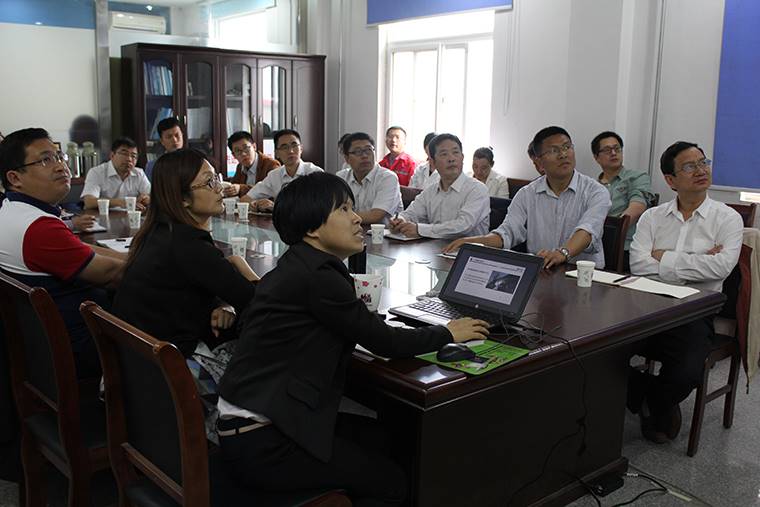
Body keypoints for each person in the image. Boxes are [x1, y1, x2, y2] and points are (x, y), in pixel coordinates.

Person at [216, 171, 489, 506]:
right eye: (344, 209)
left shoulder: (297, 264)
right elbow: (387, 344)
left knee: (384, 438)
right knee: (392, 483)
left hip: (254, 422)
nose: (357, 217)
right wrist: (448, 332)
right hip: (265, 441)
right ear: (313, 229)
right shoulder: (319, 277)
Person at [112, 148, 259, 437]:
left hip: (138, 363)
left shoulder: (159, 232)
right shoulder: (189, 245)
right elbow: (258, 300)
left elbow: (201, 284)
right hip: (169, 372)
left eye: (217, 178)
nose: (219, 188)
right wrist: (243, 266)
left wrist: (223, 303)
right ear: (182, 199)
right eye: (208, 182)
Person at [627, 141, 742, 444]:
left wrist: (662, 257)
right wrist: (698, 260)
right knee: (599, 353)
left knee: (687, 373)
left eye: (703, 162)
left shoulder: (728, 218)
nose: (701, 170)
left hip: (694, 312)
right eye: (690, 166)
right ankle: (650, 396)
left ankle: (651, 399)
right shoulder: (652, 217)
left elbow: (721, 268)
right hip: (648, 305)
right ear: (670, 180)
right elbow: (638, 264)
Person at [0, 128, 124, 379]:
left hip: (41, 345)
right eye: (45, 160)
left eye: (59, 157)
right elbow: (111, 274)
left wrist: (133, 257)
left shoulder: (12, 209)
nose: (60, 166)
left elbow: (82, 249)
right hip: (82, 345)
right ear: (15, 178)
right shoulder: (39, 228)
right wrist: (153, 260)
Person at [443, 126, 611, 269]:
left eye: (567, 147)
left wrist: (562, 253)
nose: (563, 154)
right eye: (554, 150)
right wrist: (473, 241)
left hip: (583, 276)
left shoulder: (596, 192)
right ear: (539, 162)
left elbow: (587, 230)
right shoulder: (527, 194)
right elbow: (507, 232)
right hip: (542, 272)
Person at [389, 134, 489, 239]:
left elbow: (463, 226)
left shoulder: (477, 189)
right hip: (433, 247)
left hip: (465, 249)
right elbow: (411, 213)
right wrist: (400, 220)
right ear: (432, 162)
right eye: (444, 154)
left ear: (462, 157)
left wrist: (420, 230)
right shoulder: (430, 191)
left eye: (455, 152)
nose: (451, 159)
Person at [591, 131, 653, 268]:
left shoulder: (637, 177)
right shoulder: (592, 186)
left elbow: (637, 207)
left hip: (626, 247)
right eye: (607, 150)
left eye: (617, 148)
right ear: (596, 157)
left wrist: (612, 231)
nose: (614, 153)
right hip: (597, 247)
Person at [240, 129, 322, 211]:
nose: (291, 151)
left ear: (301, 148)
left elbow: (321, 207)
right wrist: (257, 204)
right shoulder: (274, 176)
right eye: (284, 147)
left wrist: (276, 208)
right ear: (277, 153)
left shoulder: (315, 174)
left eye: (294, 145)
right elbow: (245, 199)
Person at [336, 132, 401, 224]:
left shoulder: (388, 178)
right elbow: (332, 209)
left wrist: (340, 216)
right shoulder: (341, 177)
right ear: (346, 158)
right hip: (350, 229)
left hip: (381, 232)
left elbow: (375, 216)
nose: (364, 156)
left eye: (368, 150)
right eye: (358, 152)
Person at [80, 136, 150, 211]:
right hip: (103, 216)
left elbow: (151, 195)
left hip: (131, 216)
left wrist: (146, 198)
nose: (129, 159)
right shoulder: (96, 172)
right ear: (112, 155)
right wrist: (121, 202)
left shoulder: (139, 173)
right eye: (124, 154)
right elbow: (89, 202)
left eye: (133, 156)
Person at [226, 130, 281, 198]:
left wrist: (241, 188)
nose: (243, 154)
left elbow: (271, 190)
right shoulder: (240, 167)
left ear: (254, 147)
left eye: (246, 148)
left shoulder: (271, 165)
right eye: (238, 151)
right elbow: (234, 184)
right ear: (234, 155)